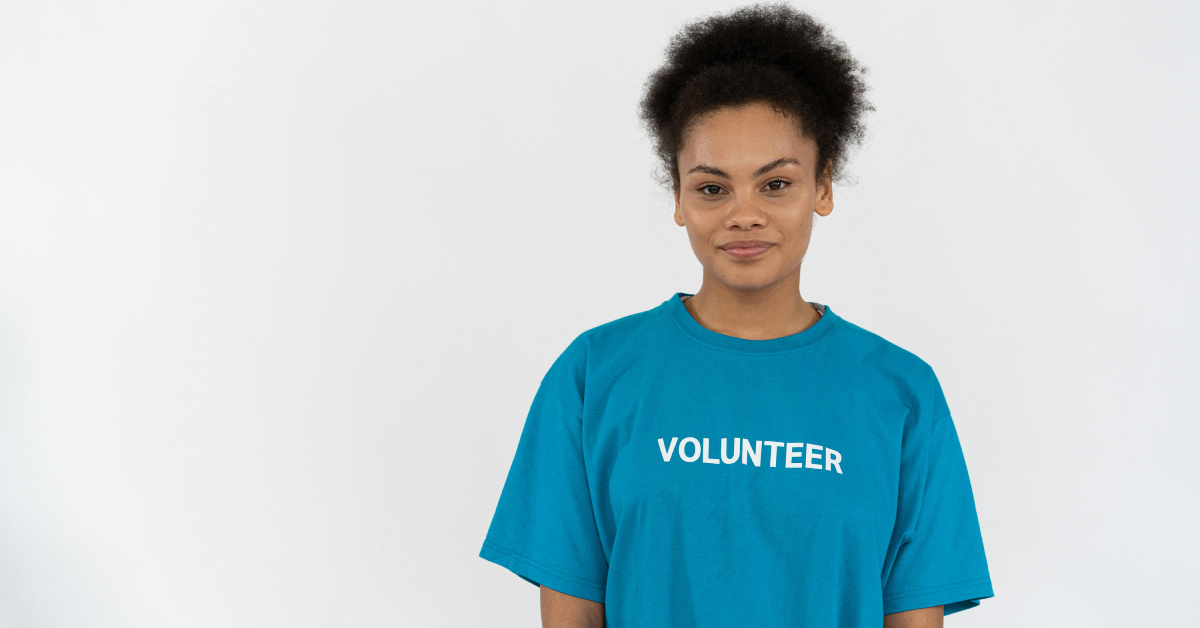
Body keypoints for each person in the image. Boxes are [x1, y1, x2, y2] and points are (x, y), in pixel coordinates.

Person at [478, 3, 994, 626]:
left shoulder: (901, 392)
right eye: (712, 187)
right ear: (678, 197)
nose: (743, 214)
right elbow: (572, 613)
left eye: (775, 184)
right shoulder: (594, 375)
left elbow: (913, 614)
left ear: (823, 187)